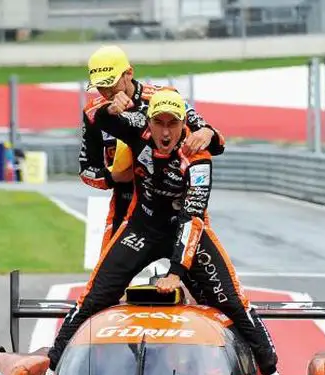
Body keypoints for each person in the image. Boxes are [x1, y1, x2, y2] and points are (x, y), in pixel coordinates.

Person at [26, 88, 281, 375]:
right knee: (92, 299)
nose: (164, 132)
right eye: (158, 122)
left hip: (185, 229)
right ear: (148, 121)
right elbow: (96, 118)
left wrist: (177, 270)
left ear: (181, 125)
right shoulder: (137, 127)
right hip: (143, 226)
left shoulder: (198, 155)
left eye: (172, 124)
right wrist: (110, 108)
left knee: (233, 301)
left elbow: (193, 217)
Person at [80, 44, 226, 255]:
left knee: (196, 272)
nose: (107, 92)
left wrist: (207, 132)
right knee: (107, 278)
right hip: (128, 202)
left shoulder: (163, 97)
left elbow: (217, 143)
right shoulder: (94, 113)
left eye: (111, 85)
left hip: (177, 201)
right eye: (100, 87)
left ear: (128, 74)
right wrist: (114, 177)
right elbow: (86, 170)